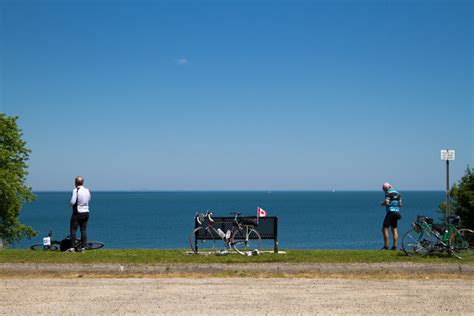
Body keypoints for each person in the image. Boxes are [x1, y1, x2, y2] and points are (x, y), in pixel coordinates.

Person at [67, 176, 91, 252]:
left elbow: (73, 201)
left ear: (75, 183)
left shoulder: (75, 190)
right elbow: (89, 199)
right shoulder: (87, 190)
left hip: (77, 212)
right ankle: (84, 247)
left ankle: (72, 248)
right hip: (86, 212)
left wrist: (70, 205)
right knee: (83, 230)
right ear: (82, 182)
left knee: (73, 230)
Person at [380, 182, 402, 250]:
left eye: (385, 189)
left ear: (388, 188)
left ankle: (386, 246)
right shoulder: (398, 193)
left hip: (390, 212)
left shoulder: (388, 193)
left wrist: (382, 203)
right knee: (394, 229)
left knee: (384, 229)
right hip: (397, 213)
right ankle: (394, 247)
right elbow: (400, 204)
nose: (385, 191)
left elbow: (386, 203)